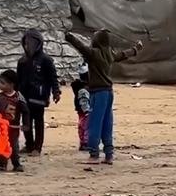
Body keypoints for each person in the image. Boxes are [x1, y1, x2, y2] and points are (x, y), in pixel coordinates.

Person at [64, 30, 143, 164]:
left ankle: (94, 154)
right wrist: (136, 49)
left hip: (98, 93)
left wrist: (69, 37)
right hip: (108, 92)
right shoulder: (109, 54)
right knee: (107, 123)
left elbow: (80, 47)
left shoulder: (94, 54)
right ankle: (108, 154)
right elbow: (123, 55)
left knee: (94, 123)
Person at [16, 30, 61, 156]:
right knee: (26, 122)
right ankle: (29, 145)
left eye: (30, 44)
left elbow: (53, 77)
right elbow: (18, 79)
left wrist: (56, 92)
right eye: (25, 44)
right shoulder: (22, 61)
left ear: (39, 44)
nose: (27, 46)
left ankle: (37, 147)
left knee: (38, 122)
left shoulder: (46, 60)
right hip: (24, 96)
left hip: (39, 97)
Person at [0, 69, 29, 172]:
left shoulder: (18, 98)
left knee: (13, 145)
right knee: (1, 145)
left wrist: (26, 124)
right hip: (2, 128)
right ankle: (2, 163)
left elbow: (25, 111)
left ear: (12, 84)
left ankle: (16, 163)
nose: (0, 85)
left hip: (13, 127)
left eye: (3, 83)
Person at [71, 65, 91, 151]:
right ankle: (85, 143)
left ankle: (83, 142)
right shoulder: (83, 89)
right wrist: (87, 110)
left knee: (82, 125)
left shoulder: (79, 87)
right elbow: (84, 101)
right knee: (86, 126)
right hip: (85, 111)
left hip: (81, 110)